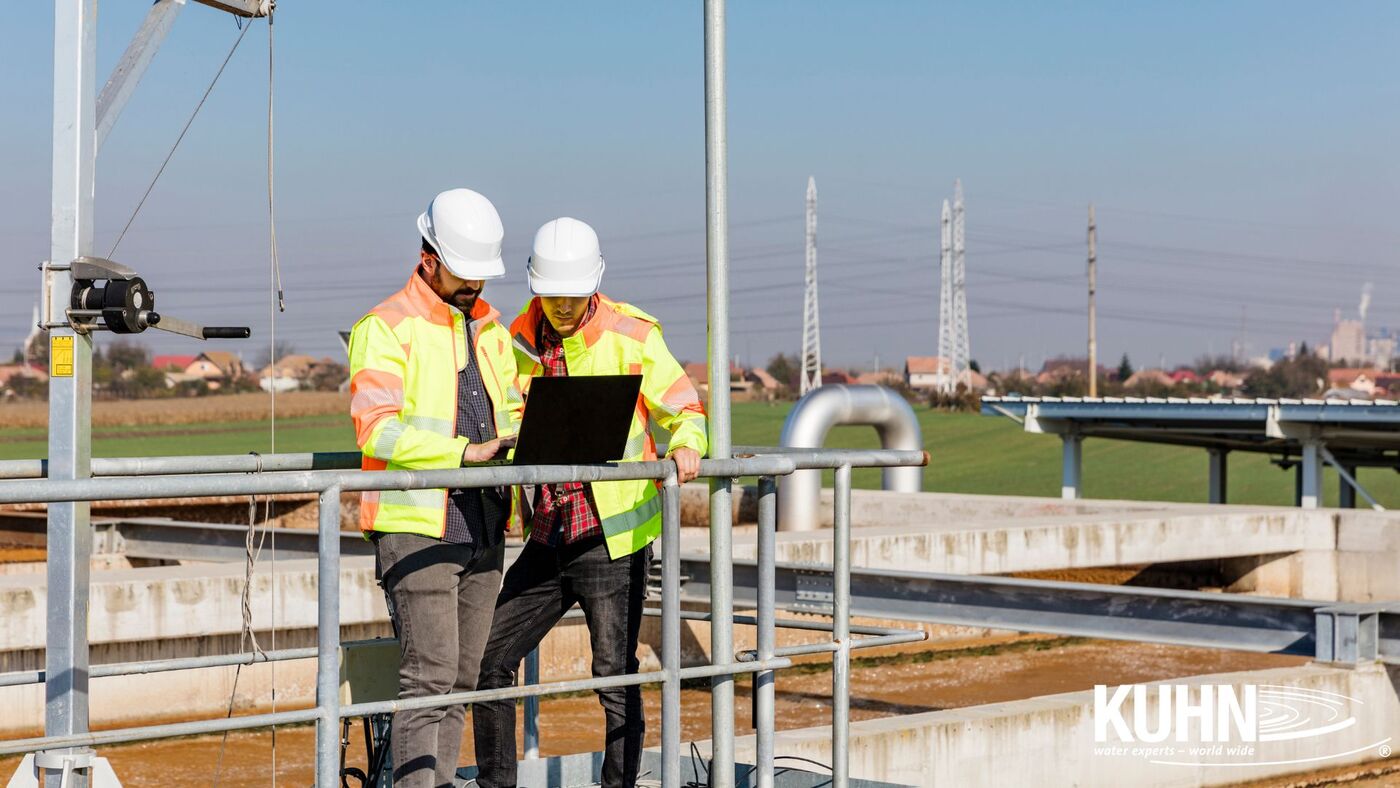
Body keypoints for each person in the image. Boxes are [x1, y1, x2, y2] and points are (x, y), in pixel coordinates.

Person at [472, 217, 706, 788]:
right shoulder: (514, 340)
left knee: (615, 678)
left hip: (613, 538)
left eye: (572, 298)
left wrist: (688, 445)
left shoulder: (634, 335)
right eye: (551, 296)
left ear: (593, 286)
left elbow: (686, 408)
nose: (561, 308)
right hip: (548, 535)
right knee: (489, 663)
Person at [347, 188, 524, 788]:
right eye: (465, 275)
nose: (476, 287)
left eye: (481, 276)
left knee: (464, 678)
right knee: (429, 678)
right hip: (419, 525)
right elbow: (378, 429)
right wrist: (461, 453)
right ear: (429, 260)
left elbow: (512, 410)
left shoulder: (493, 332)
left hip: (485, 524)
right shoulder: (385, 328)